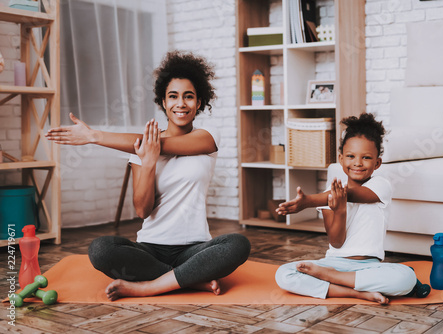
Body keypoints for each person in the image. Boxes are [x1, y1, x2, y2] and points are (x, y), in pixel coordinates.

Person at [46, 50, 251, 301]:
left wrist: (95, 136)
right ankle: (189, 280)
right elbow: (142, 210)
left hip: (195, 248)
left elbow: (159, 144)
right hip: (150, 249)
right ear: (163, 102)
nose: (181, 104)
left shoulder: (207, 136)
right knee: (100, 249)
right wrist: (149, 163)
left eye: (189, 97)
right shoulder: (140, 151)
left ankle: (149, 286)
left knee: (238, 244)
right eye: (173, 96)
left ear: (199, 103)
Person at [274, 113, 416, 304]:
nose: (357, 163)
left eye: (366, 157)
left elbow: (353, 194)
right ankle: (357, 293)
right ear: (341, 159)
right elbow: (336, 241)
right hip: (333, 264)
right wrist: (339, 210)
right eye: (350, 156)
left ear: (377, 163)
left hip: (368, 267)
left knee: (406, 278)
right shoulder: (328, 195)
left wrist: (309, 201)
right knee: (283, 274)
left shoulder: (380, 185)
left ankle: (331, 280)